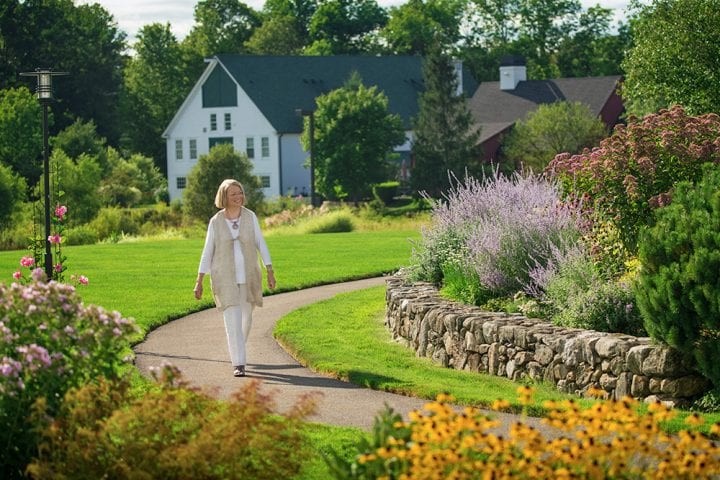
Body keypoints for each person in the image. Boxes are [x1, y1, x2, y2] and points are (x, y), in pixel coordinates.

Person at [194, 179, 276, 377]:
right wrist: (199, 280)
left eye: (240, 193)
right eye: (233, 194)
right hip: (224, 278)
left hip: (249, 276)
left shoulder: (250, 216)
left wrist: (270, 270)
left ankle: (239, 345)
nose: (238, 197)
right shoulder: (216, 221)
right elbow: (207, 252)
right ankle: (239, 363)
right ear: (224, 197)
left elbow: (260, 243)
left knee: (246, 318)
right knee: (232, 321)